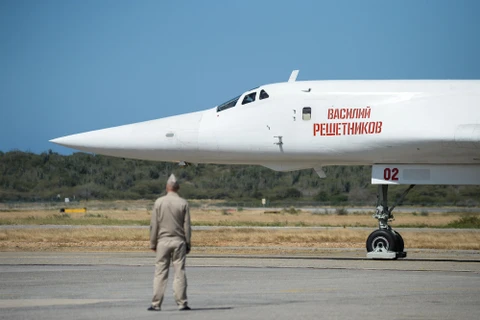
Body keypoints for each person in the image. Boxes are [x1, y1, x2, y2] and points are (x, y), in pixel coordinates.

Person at [148, 174, 192, 311]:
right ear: (177, 188)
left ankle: (156, 303)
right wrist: (188, 243)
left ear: (167, 187)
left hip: (163, 241)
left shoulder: (159, 202)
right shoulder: (183, 203)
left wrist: (153, 243)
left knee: (160, 272)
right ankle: (182, 303)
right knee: (180, 272)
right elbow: (187, 226)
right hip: (179, 241)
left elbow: (153, 225)